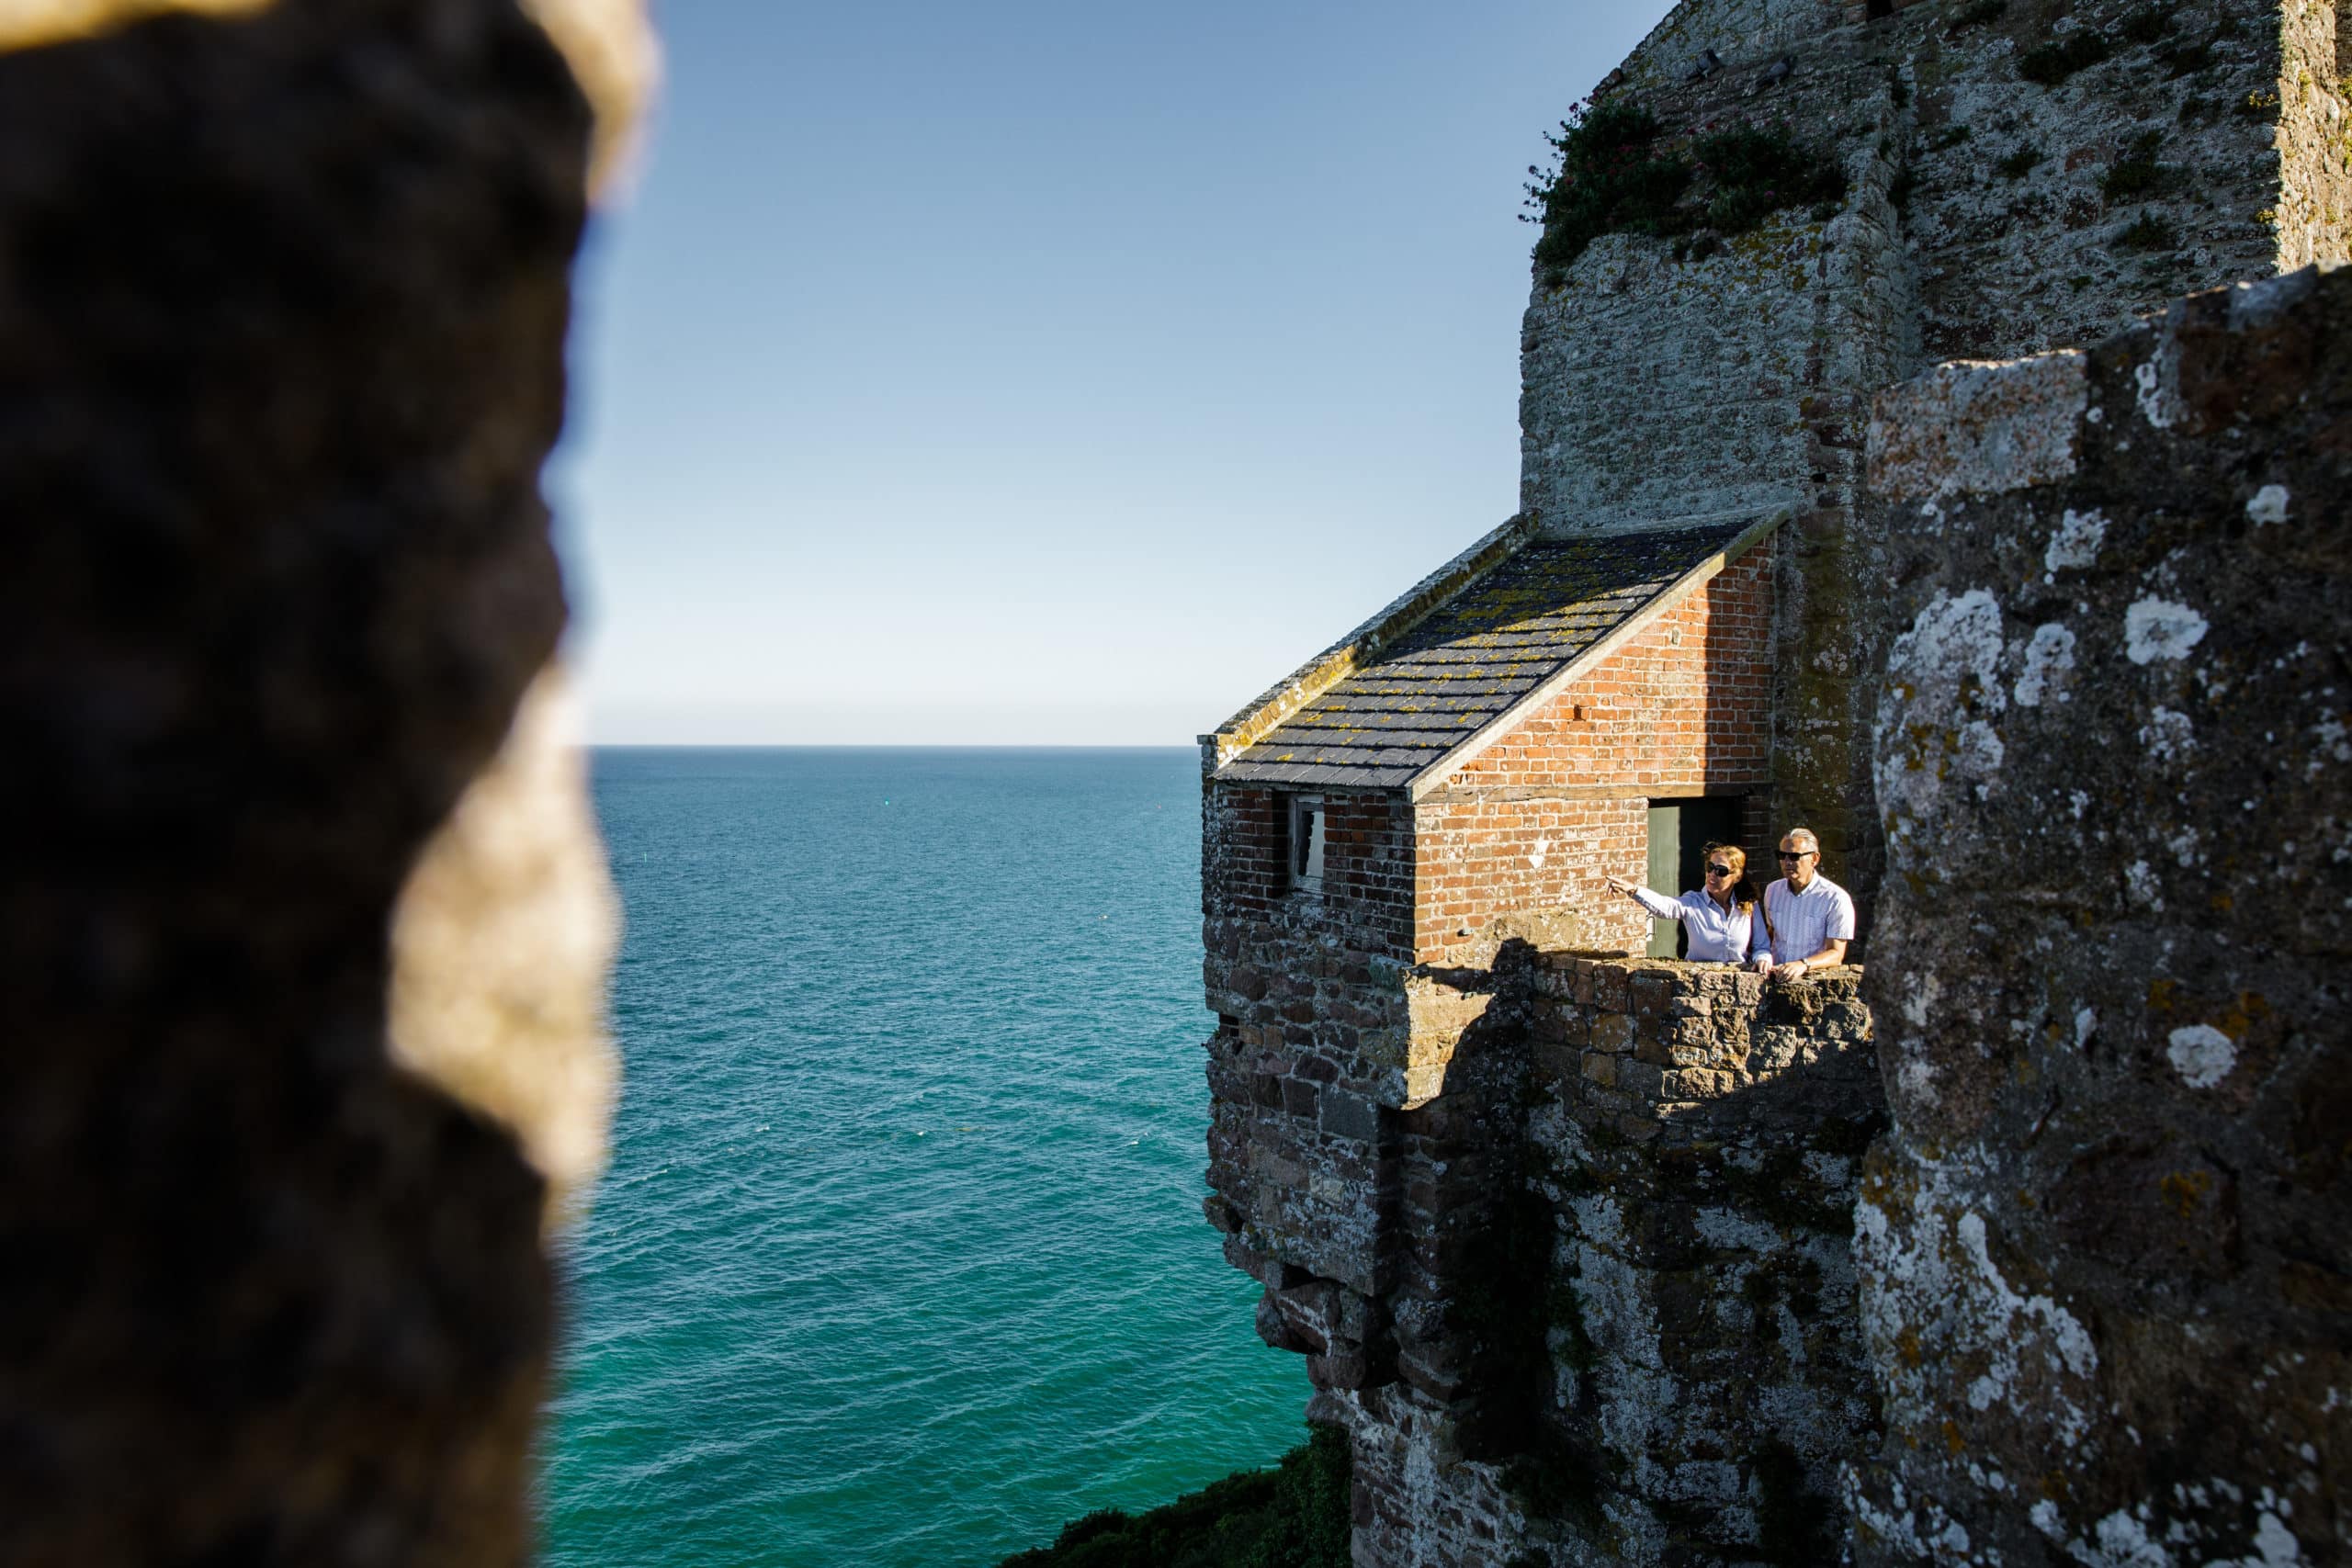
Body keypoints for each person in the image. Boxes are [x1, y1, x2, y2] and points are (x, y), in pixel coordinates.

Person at [1604, 842, 1771, 964]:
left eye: (1721, 871)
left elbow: (1762, 947)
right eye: (1710, 867)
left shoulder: (1748, 905)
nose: (1712, 874)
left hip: (1739, 987)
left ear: (1737, 876)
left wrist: (1762, 960)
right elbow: (1665, 907)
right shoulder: (1693, 902)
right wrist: (1633, 889)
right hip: (1700, 985)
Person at [1759, 827, 1855, 981]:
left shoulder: (1835, 898)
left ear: (1815, 859)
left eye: (1794, 856)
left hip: (1811, 983)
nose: (1787, 862)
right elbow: (1771, 935)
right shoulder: (1772, 891)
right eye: (1782, 855)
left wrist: (1802, 964)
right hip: (1774, 979)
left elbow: (1836, 954)